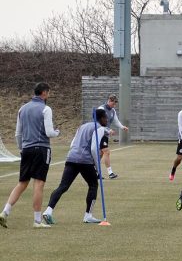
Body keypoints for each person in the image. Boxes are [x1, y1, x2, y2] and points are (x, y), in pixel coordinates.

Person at [0, 82, 60, 229]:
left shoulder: (22, 109)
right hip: (41, 149)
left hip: (26, 149)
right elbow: (49, 132)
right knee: (38, 183)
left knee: (22, 182)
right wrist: (58, 132)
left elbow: (18, 134)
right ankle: (37, 221)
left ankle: (4, 212)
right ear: (44, 93)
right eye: (49, 92)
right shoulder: (46, 109)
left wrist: (22, 148)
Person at [42, 109, 108, 225]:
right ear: (101, 118)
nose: (107, 120)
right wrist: (97, 167)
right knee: (93, 185)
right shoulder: (100, 128)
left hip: (71, 157)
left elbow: (72, 143)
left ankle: (48, 211)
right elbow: (93, 148)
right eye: (105, 117)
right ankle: (88, 215)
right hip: (85, 160)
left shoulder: (82, 127)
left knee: (63, 186)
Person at [97, 94, 129, 179]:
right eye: (113, 104)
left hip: (105, 134)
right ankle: (110, 173)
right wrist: (108, 130)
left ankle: (95, 172)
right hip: (99, 133)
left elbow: (116, 121)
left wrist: (122, 127)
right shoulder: (101, 109)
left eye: (115, 104)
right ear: (109, 101)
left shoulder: (113, 111)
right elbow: (97, 123)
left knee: (100, 154)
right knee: (106, 152)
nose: (114, 106)